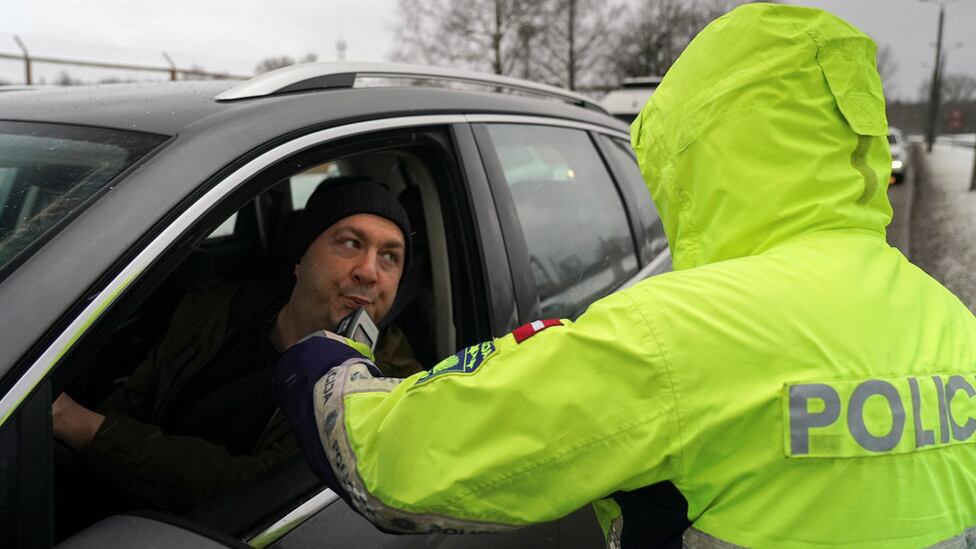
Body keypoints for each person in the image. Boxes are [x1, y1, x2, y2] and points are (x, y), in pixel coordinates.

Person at [272, 4, 976, 548]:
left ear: (698, 149)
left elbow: (396, 458)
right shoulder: (951, 323)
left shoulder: (676, 335)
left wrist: (319, 358)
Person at [51, 177, 424, 513]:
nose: (369, 272)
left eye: (390, 257)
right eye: (349, 243)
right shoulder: (215, 309)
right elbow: (136, 399)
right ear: (299, 259)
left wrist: (85, 428)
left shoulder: (384, 391)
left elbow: (251, 489)